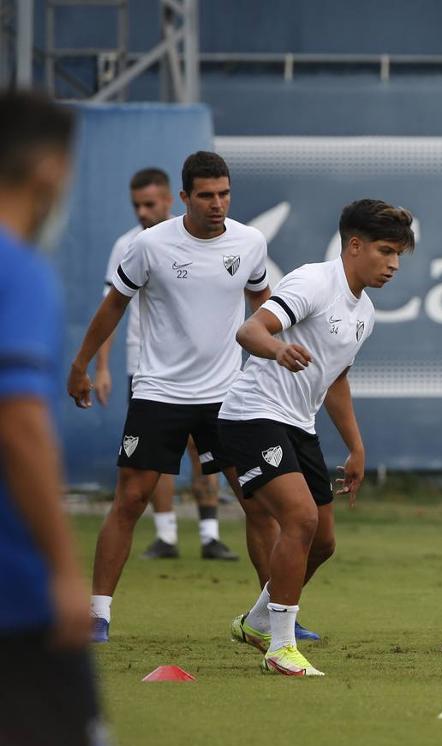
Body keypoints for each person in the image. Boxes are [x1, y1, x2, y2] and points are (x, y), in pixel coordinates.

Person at [67, 151, 286, 643]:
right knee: (130, 501)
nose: (217, 204)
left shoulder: (250, 242)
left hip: (229, 397)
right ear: (184, 198)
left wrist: (275, 353)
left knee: (258, 505)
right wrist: (82, 364)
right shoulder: (150, 245)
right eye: (206, 195)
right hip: (159, 393)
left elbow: (262, 305)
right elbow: (113, 307)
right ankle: (97, 614)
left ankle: (274, 618)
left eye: (224, 193)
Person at [224, 199, 410, 676]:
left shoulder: (364, 312)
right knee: (300, 519)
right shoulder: (312, 281)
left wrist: (356, 445)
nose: (392, 264)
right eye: (385, 251)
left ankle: (257, 620)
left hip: (298, 425)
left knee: (323, 542)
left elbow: (335, 379)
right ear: (354, 245)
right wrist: (279, 349)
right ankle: (280, 647)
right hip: (253, 415)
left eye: (398, 255)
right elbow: (251, 330)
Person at [0, 90, 110, 746]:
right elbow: (19, 425)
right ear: (49, 169)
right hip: (14, 592)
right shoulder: (19, 272)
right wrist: (65, 572)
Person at [96, 167, 239, 561]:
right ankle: (167, 534)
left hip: (210, 374)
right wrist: (102, 366)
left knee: (200, 452)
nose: (142, 212)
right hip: (151, 369)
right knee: (156, 462)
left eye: (149, 203)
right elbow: (112, 308)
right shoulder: (132, 244)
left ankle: (210, 534)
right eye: (136, 205)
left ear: (170, 199)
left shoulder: (228, 241)